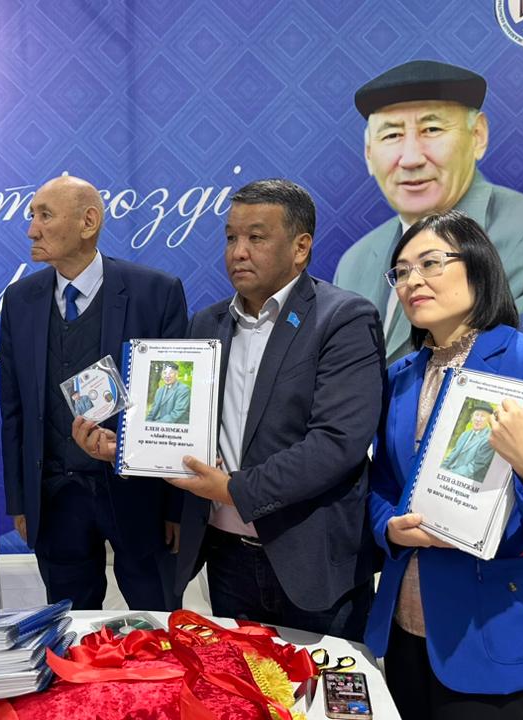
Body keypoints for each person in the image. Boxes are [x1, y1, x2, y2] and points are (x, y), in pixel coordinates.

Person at [75, 179, 383, 638]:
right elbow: (183, 429)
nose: (238, 252)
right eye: (231, 237)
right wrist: (127, 449)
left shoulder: (343, 319)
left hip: (309, 561)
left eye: (256, 238)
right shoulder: (208, 322)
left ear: (300, 248)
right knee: (238, 681)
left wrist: (234, 490)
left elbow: (336, 444)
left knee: (318, 684)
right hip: (226, 558)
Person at [366, 209, 523, 719]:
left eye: (430, 263)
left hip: (494, 628)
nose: (412, 281)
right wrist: (391, 529)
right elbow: (381, 485)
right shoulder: (400, 376)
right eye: (400, 271)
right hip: (406, 626)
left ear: (478, 265)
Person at [0, 174, 187, 611]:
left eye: (45, 216)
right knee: (70, 631)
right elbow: (13, 407)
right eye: (32, 216)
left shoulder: (156, 293)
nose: (31, 230)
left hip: (139, 499)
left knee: (158, 626)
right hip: (55, 501)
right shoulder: (20, 300)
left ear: (88, 222)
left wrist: (176, 507)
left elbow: (174, 411)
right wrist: (21, 501)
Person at [334, 59, 523, 364]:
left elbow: (510, 370)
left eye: (431, 129)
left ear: (477, 136)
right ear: (368, 155)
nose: (410, 158)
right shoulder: (355, 261)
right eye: (391, 135)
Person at [440, 402, 495, 482]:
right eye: (476, 415)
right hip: (448, 473)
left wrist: (450, 473)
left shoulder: (489, 439)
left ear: (488, 420)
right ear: (472, 417)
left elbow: (475, 466)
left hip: (465, 479)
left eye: (482, 416)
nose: (478, 419)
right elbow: (451, 456)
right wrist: (441, 468)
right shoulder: (464, 434)